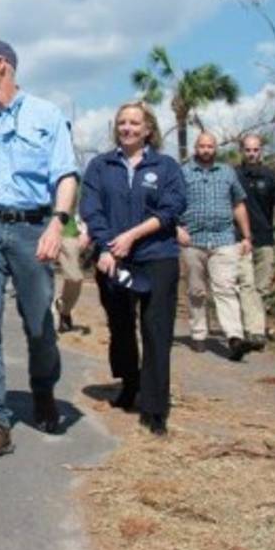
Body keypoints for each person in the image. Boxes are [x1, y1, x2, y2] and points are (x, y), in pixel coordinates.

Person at [0, 39, 78, 462]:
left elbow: (65, 176)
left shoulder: (47, 115)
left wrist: (57, 224)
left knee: (39, 325)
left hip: (32, 228)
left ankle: (43, 391)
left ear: (2, 64)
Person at [80, 102, 186, 436]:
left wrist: (131, 236)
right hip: (114, 260)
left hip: (157, 256)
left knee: (156, 330)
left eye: (134, 123)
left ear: (148, 129)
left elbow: (172, 209)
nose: (127, 128)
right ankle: (130, 381)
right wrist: (108, 246)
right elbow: (92, 209)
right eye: (122, 122)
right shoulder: (100, 166)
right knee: (121, 326)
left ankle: (155, 408)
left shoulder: (166, 166)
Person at [178, 132, 254, 361]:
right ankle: (199, 333)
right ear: (196, 147)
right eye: (202, 146)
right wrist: (176, 229)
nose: (206, 150)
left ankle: (234, 338)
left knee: (226, 288)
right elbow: (171, 204)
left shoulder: (228, 172)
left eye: (210, 146)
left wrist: (247, 237)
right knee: (196, 290)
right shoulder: (183, 173)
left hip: (224, 239)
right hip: (193, 240)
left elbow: (238, 205)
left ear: (216, 148)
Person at [235, 133, 275, 350]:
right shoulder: (234, 175)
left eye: (255, 150)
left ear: (261, 151)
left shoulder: (272, 177)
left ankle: (251, 325)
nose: (252, 153)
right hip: (240, 239)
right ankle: (256, 332)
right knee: (247, 285)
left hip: (266, 239)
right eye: (248, 150)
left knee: (261, 287)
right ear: (242, 151)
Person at [54, 217, 89, 333]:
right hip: (38, 230)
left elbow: (82, 206)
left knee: (75, 278)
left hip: (68, 234)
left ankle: (64, 309)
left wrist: (84, 232)